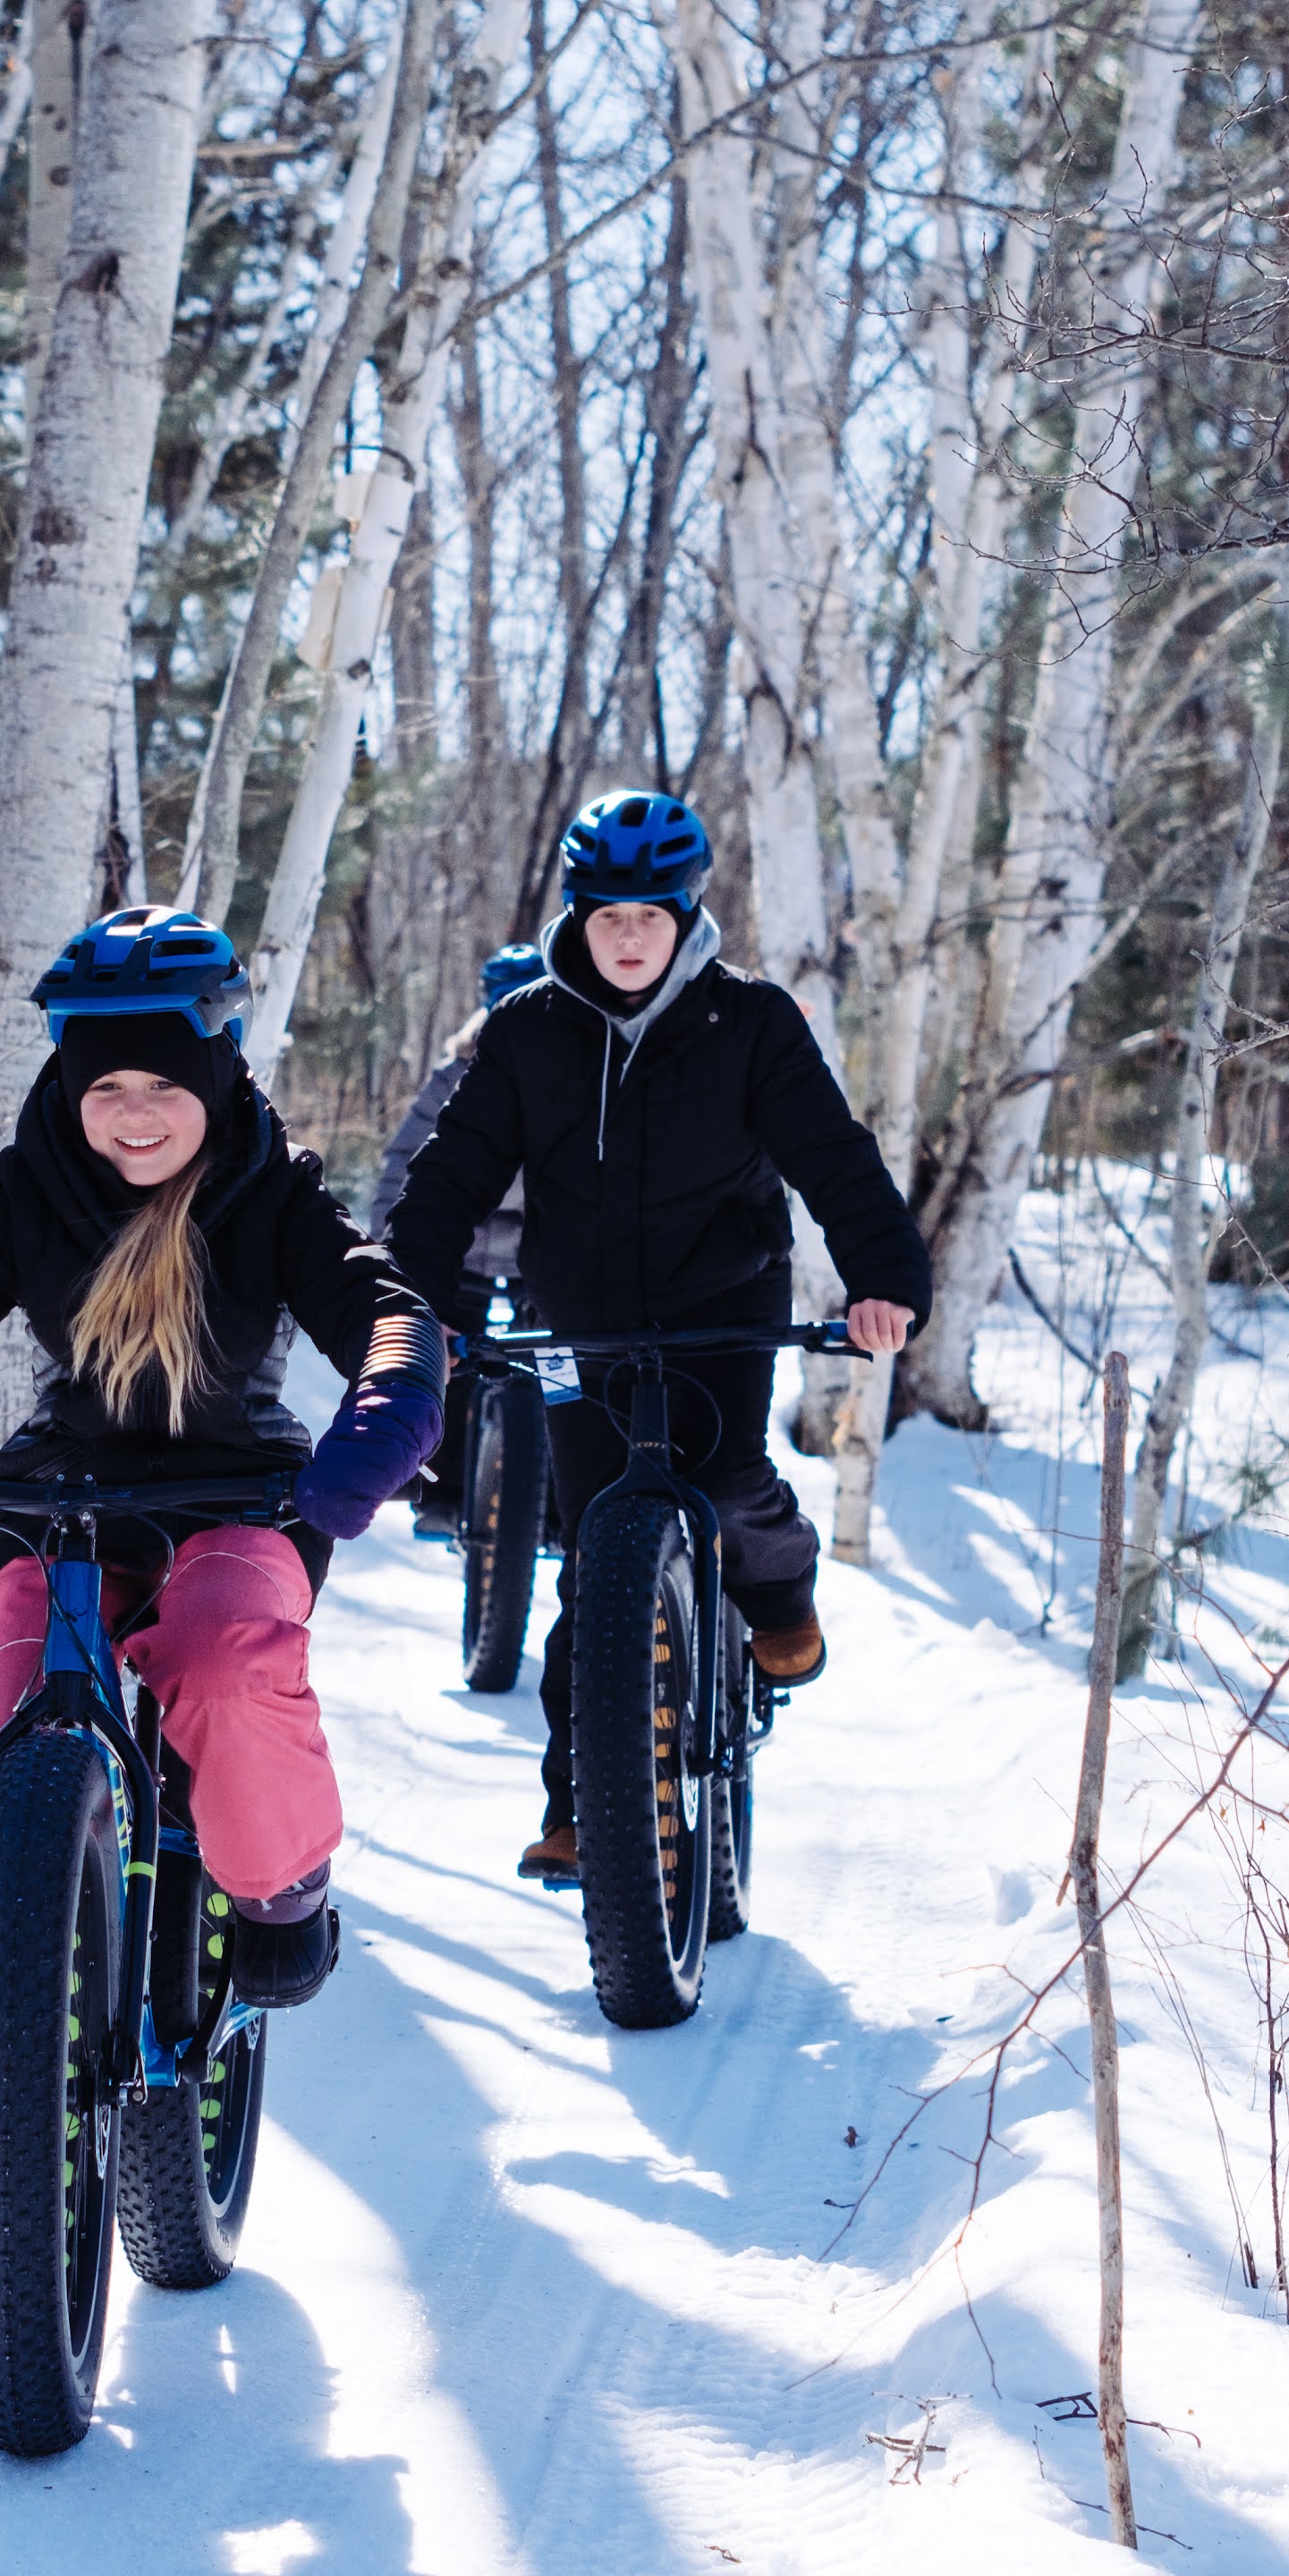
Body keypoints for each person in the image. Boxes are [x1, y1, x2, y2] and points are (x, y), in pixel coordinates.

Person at [0, 911, 445, 2198]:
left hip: (240, 1497)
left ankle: (275, 1887)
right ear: (67, 1081)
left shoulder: (271, 1189)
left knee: (223, 1661)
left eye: (163, 1084)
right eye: (106, 1085)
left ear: (213, 1073)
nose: (135, 1114)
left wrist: (379, 1418)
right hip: (63, 1503)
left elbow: (381, 1310)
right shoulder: (31, 1187)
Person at [380, 792, 930, 1885]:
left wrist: (883, 1279)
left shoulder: (751, 1021)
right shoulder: (527, 1028)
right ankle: (579, 1808)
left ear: (686, 913)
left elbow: (831, 1155)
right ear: (577, 915)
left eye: (651, 914)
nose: (628, 936)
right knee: (593, 1558)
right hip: (583, 1318)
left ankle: (775, 1590)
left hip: (721, 1298)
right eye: (607, 914)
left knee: (724, 1478)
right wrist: (418, 1296)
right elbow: (449, 1174)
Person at [369, 941, 549, 1533]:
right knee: (451, 1358)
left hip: (539, 1246)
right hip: (463, 1242)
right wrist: (388, 1244)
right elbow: (405, 1163)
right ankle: (443, 1492)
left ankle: (550, 1497)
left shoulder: (567, 1073)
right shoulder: (455, 1076)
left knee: (558, 1365)